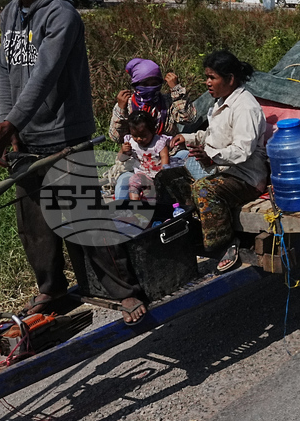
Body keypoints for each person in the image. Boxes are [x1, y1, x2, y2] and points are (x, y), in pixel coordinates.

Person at [0, 0, 147, 324]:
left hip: (64, 134)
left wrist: (12, 122)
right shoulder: (9, 14)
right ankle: (50, 289)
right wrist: (9, 126)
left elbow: (45, 75)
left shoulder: (60, 14)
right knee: (33, 225)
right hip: (25, 135)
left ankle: (125, 292)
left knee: (82, 219)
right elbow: (7, 73)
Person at [157, 51, 267, 274]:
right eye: (207, 77)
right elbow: (213, 135)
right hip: (220, 171)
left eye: (212, 77)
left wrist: (211, 157)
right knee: (167, 178)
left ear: (230, 79)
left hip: (245, 178)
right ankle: (193, 233)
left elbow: (242, 150)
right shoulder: (221, 102)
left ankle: (226, 244)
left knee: (204, 189)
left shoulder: (246, 107)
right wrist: (188, 138)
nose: (207, 82)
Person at [108, 57, 193, 199]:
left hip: (169, 157)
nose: (150, 88)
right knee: (123, 186)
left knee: (187, 161)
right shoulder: (127, 104)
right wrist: (121, 110)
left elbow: (188, 118)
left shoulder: (167, 102)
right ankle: (128, 217)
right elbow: (116, 137)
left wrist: (177, 91)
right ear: (135, 84)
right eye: (145, 84)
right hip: (138, 164)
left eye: (155, 83)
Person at [119, 111, 172, 202]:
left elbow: (164, 157)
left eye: (143, 136)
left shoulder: (158, 142)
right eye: (135, 136)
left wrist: (164, 173)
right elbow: (121, 158)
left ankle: (154, 208)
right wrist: (123, 151)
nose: (139, 139)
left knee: (155, 194)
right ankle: (135, 204)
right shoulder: (131, 142)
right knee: (133, 182)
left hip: (158, 175)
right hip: (141, 174)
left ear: (152, 131)